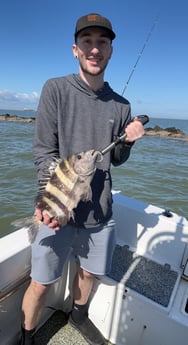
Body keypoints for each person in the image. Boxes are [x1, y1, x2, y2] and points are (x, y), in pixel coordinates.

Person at [20, 13, 145, 345]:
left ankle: (78, 314)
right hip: (58, 207)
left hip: (99, 214)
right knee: (41, 282)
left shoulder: (121, 105)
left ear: (110, 50)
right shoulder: (55, 89)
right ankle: (28, 334)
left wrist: (128, 141)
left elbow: (116, 158)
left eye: (101, 42)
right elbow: (44, 151)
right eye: (87, 42)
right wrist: (47, 200)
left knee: (89, 273)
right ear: (75, 49)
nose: (94, 49)